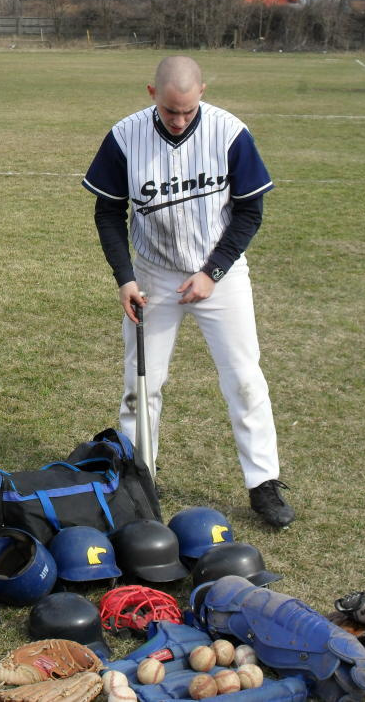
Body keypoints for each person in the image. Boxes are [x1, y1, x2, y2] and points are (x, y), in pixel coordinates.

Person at [82, 56, 294, 529]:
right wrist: (125, 277)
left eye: (188, 110)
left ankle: (264, 484)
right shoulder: (125, 137)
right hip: (153, 276)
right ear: (151, 92)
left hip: (220, 274)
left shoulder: (230, 133)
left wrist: (213, 271)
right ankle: (139, 477)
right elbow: (107, 213)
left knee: (243, 376)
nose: (178, 120)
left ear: (203, 90)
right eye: (170, 110)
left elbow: (249, 212)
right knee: (141, 381)